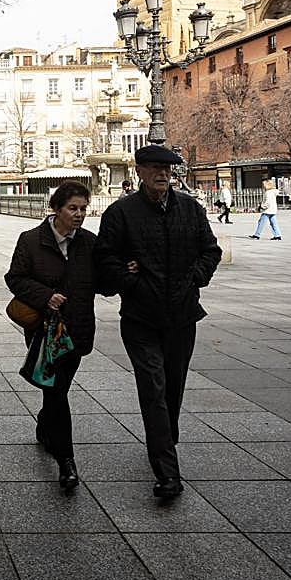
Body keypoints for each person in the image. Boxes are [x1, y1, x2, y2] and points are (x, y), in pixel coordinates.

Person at [95, 145, 222, 500]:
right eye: (153, 168)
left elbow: (210, 250)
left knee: (173, 388)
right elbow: (104, 260)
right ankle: (168, 472)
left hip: (183, 316)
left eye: (166, 169)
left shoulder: (190, 209)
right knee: (153, 387)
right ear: (139, 171)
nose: (162, 174)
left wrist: (195, 277)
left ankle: (165, 438)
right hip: (140, 318)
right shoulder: (121, 213)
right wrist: (130, 279)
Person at [5, 181, 100, 491]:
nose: (79, 214)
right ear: (56, 209)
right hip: (44, 331)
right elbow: (15, 278)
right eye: (72, 208)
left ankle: (46, 425)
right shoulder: (31, 240)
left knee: (56, 390)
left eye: (83, 209)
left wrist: (126, 270)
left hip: (78, 330)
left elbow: (106, 283)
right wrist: (46, 296)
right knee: (57, 392)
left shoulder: (89, 242)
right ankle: (66, 462)